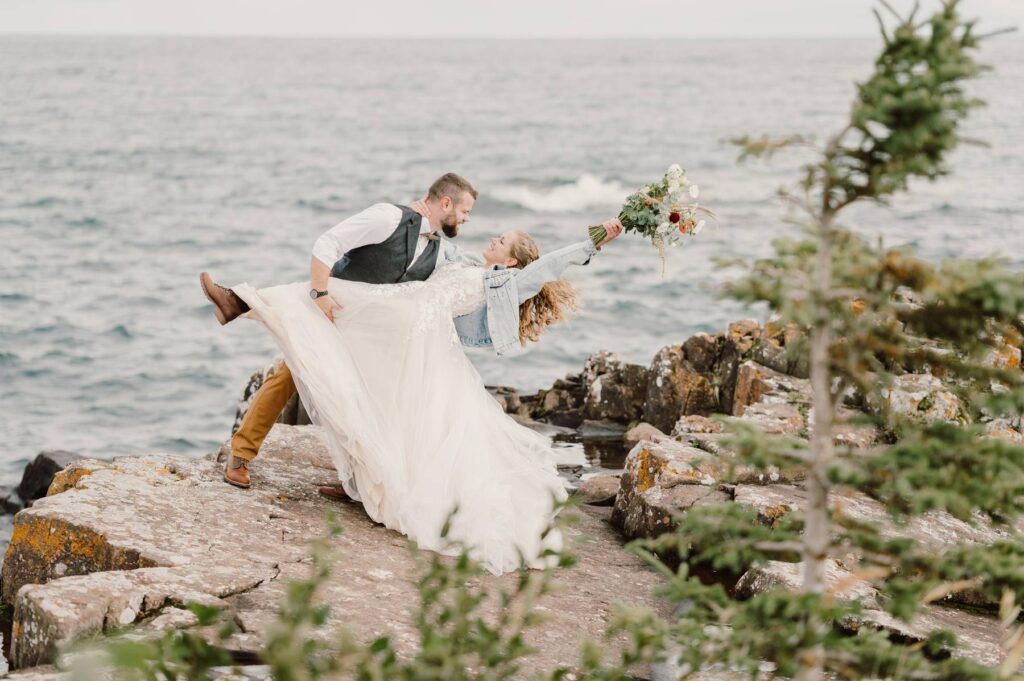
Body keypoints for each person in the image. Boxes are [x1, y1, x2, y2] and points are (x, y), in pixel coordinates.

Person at [208, 214, 623, 574]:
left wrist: (593, 243)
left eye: (504, 241)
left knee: (393, 408)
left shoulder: (506, 283)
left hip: (414, 341)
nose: (494, 239)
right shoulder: (460, 261)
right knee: (367, 385)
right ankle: (244, 302)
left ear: (512, 260)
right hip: (396, 328)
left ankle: (244, 301)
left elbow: (548, 266)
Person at [201, 172, 479, 494]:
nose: (466, 219)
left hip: (370, 337)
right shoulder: (388, 216)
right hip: (329, 312)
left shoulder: (439, 250)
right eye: (465, 211)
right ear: (446, 203)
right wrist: (320, 293)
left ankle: (359, 485)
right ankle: (240, 456)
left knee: (371, 401)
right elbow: (328, 243)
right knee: (288, 374)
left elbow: (462, 275)